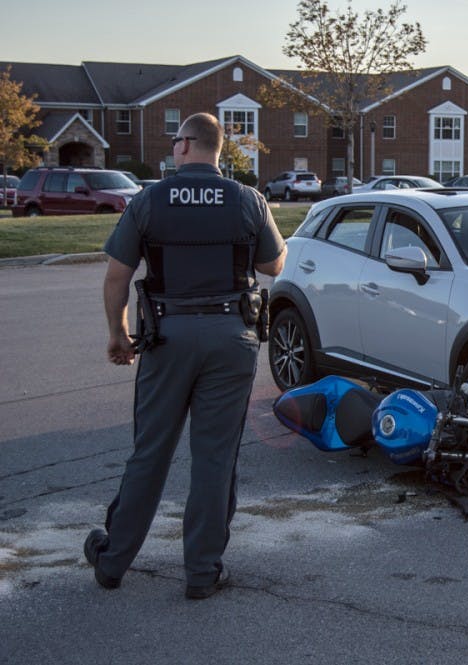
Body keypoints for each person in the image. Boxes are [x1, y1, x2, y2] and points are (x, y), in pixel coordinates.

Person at [84, 112, 287, 598]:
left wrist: (118, 333)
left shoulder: (150, 199)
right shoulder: (247, 199)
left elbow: (116, 276)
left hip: (168, 337)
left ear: (184, 146)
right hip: (231, 338)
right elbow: (273, 264)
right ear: (219, 151)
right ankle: (202, 571)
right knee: (215, 458)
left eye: (176, 140)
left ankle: (112, 563)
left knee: (150, 452)